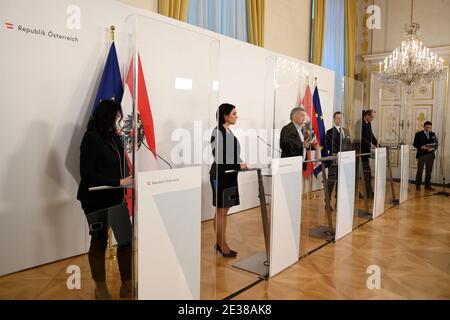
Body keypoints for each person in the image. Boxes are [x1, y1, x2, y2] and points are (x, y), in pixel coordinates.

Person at [77, 100, 133, 300]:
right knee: (99, 241)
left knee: (126, 240)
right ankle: (100, 287)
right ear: (106, 116)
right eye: (116, 116)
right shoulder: (91, 138)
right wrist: (118, 180)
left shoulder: (115, 138)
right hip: (95, 200)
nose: (118, 120)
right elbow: (87, 173)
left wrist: (130, 179)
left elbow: (120, 164)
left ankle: (127, 284)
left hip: (116, 198)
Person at [209, 103, 248, 258]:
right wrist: (238, 164)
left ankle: (219, 242)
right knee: (220, 211)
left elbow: (232, 154)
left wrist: (240, 163)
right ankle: (221, 245)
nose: (236, 116)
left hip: (230, 174)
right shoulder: (217, 131)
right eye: (234, 113)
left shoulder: (228, 131)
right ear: (225, 116)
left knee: (223, 211)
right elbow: (219, 156)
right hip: (220, 175)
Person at [325, 111, 352, 209]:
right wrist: (340, 154)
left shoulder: (346, 130)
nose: (339, 120)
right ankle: (327, 203)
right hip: (334, 161)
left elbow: (349, 144)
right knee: (331, 182)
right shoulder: (330, 132)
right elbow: (332, 147)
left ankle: (338, 202)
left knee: (341, 182)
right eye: (337, 118)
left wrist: (348, 155)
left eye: (341, 118)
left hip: (345, 160)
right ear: (334, 119)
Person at [359, 109, 378, 198]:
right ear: (367, 115)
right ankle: (367, 192)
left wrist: (378, 144)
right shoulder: (361, 123)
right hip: (361, 152)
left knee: (368, 174)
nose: (373, 119)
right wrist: (370, 144)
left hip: (367, 152)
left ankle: (369, 192)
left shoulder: (368, 123)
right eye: (372, 117)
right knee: (366, 173)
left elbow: (371, 135)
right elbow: (361, 137)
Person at [413, 121, 437, 191]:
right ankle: (418, 185)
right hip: (421, 155)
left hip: (430, 155)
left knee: (429, 171)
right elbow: (415, 144)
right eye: (427, 127)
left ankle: (427, 185)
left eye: (430, 127)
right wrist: (421, 147)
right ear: (424, 127)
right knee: (420, 171)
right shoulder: (418, 134)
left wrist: (433, 148)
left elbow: (436, 144)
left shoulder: (433, 134)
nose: (428, 129)